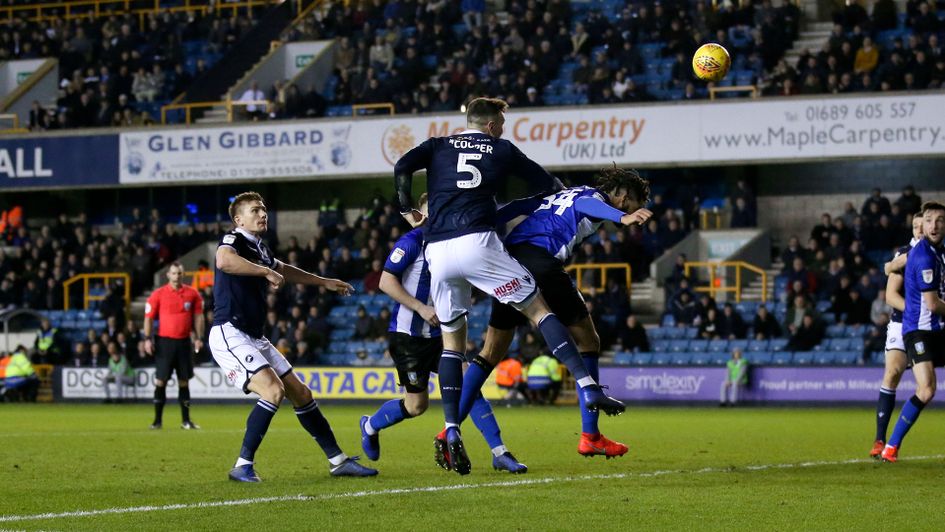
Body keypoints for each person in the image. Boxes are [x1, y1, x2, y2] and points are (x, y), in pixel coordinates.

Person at [394, 97, 625, 475]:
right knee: (538, 310)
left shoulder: (437, 145)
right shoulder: (500, 149)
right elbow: (545, 183)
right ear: (489, 126)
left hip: (437, 248)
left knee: (454, 345)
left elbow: (403, 166)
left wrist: (407, 209)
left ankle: (451, 429)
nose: (502, 128)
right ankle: (587, 385)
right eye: (500, 122)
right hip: (479, 242)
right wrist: (549, 195)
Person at [451, 164, 652, 459]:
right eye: (634, 203)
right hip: (540, 262)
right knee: (589, 341)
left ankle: (449, 428)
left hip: (509, 262)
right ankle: (591, 435)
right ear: (622, 196)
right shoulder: (593, 198)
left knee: (490, 352)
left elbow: (519, 206)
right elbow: (589, 205)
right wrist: (623, 217)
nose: (634, 209)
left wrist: (478, 225)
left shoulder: (561, 194)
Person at [208, 192, 376, 481]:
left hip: (254, 335)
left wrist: (324, 282)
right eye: (255, 210)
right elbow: (223, 261)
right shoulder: (233, 240)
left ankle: (338, 461)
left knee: (302, 393)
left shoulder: (259, 247)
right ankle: (242, 465)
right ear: (238, 220)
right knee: (273, 392)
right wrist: (264, 272)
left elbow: (283, 269)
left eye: (263, 209)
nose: (263, 214)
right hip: (229, 331)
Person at [359, 194, 527, 473]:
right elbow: (385, 281)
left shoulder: (455, 242)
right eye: (431, 211)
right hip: (408, 337)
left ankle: (500, 452)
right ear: (421, 214)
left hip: (441, 335)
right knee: (416, 406)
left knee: (469, 386)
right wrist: (421, 308)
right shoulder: (411, 242)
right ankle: (370, 425)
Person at [881, 202, 945, 462]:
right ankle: (890, 446)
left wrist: (889, 266)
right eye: (929, 220)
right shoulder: (924, 256)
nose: (933, 225)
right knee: (927, 389)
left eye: (940, 220)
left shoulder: (936, 250)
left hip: (938, 328)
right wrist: (890, 267)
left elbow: (892, 265)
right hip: (918, 331)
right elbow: (932, 304)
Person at [871, 212, 923, 457]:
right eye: (915, 226)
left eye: (923, 226)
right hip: (904, 323)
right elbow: (891, 296)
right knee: (892, 373)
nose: (920, 230)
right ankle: (880, 441)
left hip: (933, 325)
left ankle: (892, 444)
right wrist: (918, 310)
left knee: (927, 388)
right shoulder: (903, 255)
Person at [143, 262, 205, 429]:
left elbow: (199, 317)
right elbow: (148, 318)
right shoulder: (158, 294)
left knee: (184, 382)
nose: (177, 276)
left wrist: (199, 337)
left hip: (184, 343)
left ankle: (186, 421)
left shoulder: (192, 294)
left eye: (179, 273)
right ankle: (157, 421)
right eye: (174, 273)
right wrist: (147, 338)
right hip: (165, 343)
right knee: (160, 381)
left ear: (183, 275)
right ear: (168, 275)